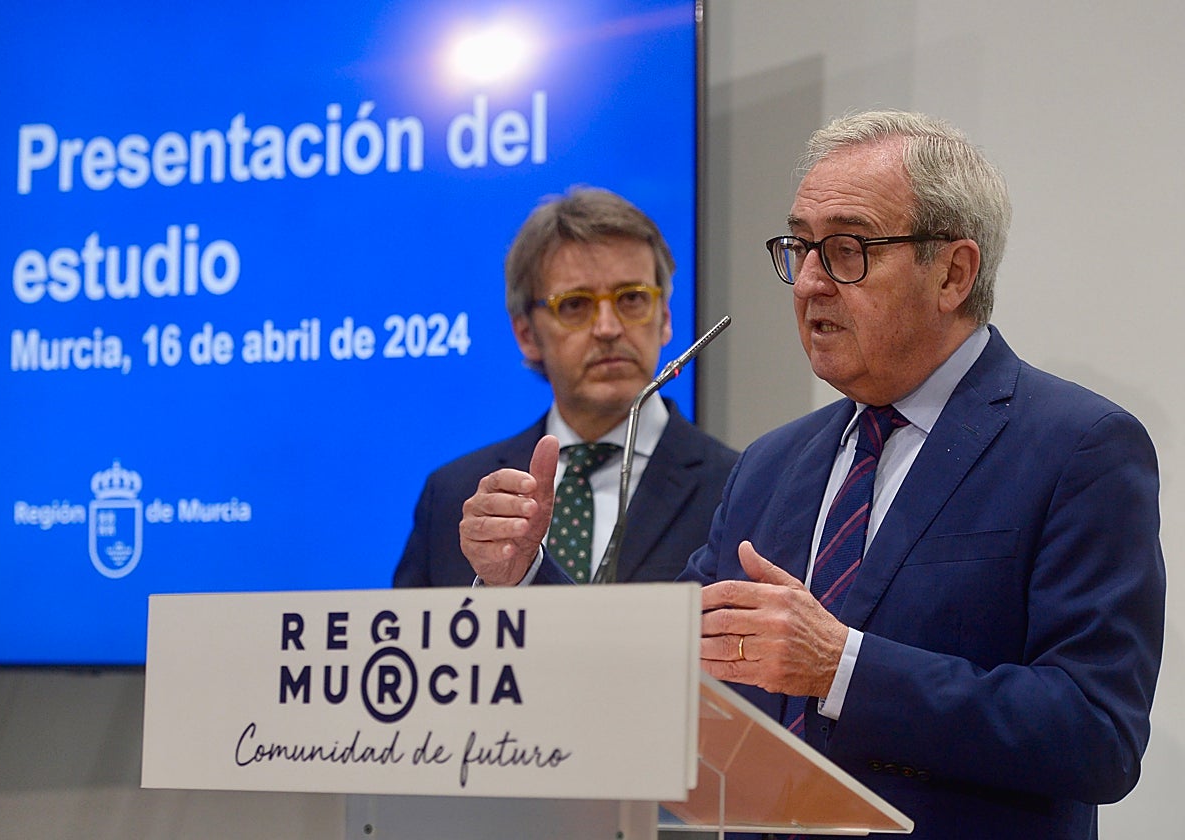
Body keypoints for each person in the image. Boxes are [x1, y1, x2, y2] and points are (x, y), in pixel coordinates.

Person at [682, 110, 1165, 839]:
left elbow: (1098, 733)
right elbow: (674, 657)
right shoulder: (769, 464)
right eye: (800, 247)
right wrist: (528, 582)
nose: (808, 283)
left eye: (846, 250)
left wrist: (843, 669)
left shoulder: (1080, 448)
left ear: (953, 272)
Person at [394, 186, 738, 587]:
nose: (608, 328)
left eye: (631, 299)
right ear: (526, 334)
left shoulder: (735, 488)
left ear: (664, 318)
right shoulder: (455, 497)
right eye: (575, 305)